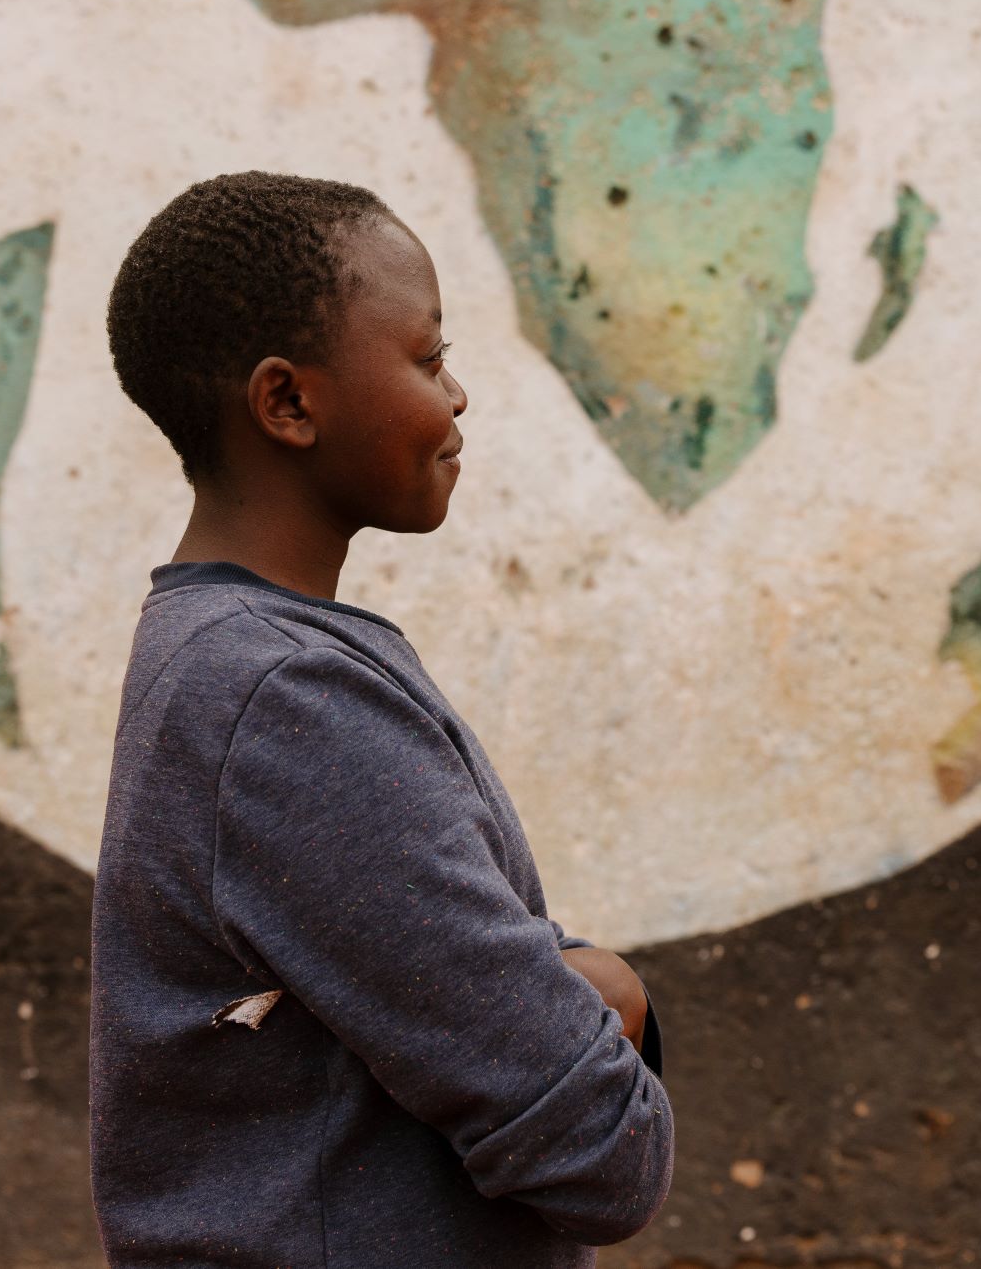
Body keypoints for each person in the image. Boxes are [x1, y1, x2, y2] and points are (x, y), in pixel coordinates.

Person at [89, 172, 673, 1267]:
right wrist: (621, 995)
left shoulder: (228, 655)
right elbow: (599, 1149)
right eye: (427, 356)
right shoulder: (286, 700)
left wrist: (539, 985)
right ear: (289, 403)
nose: (457, 397)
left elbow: (448, 972)